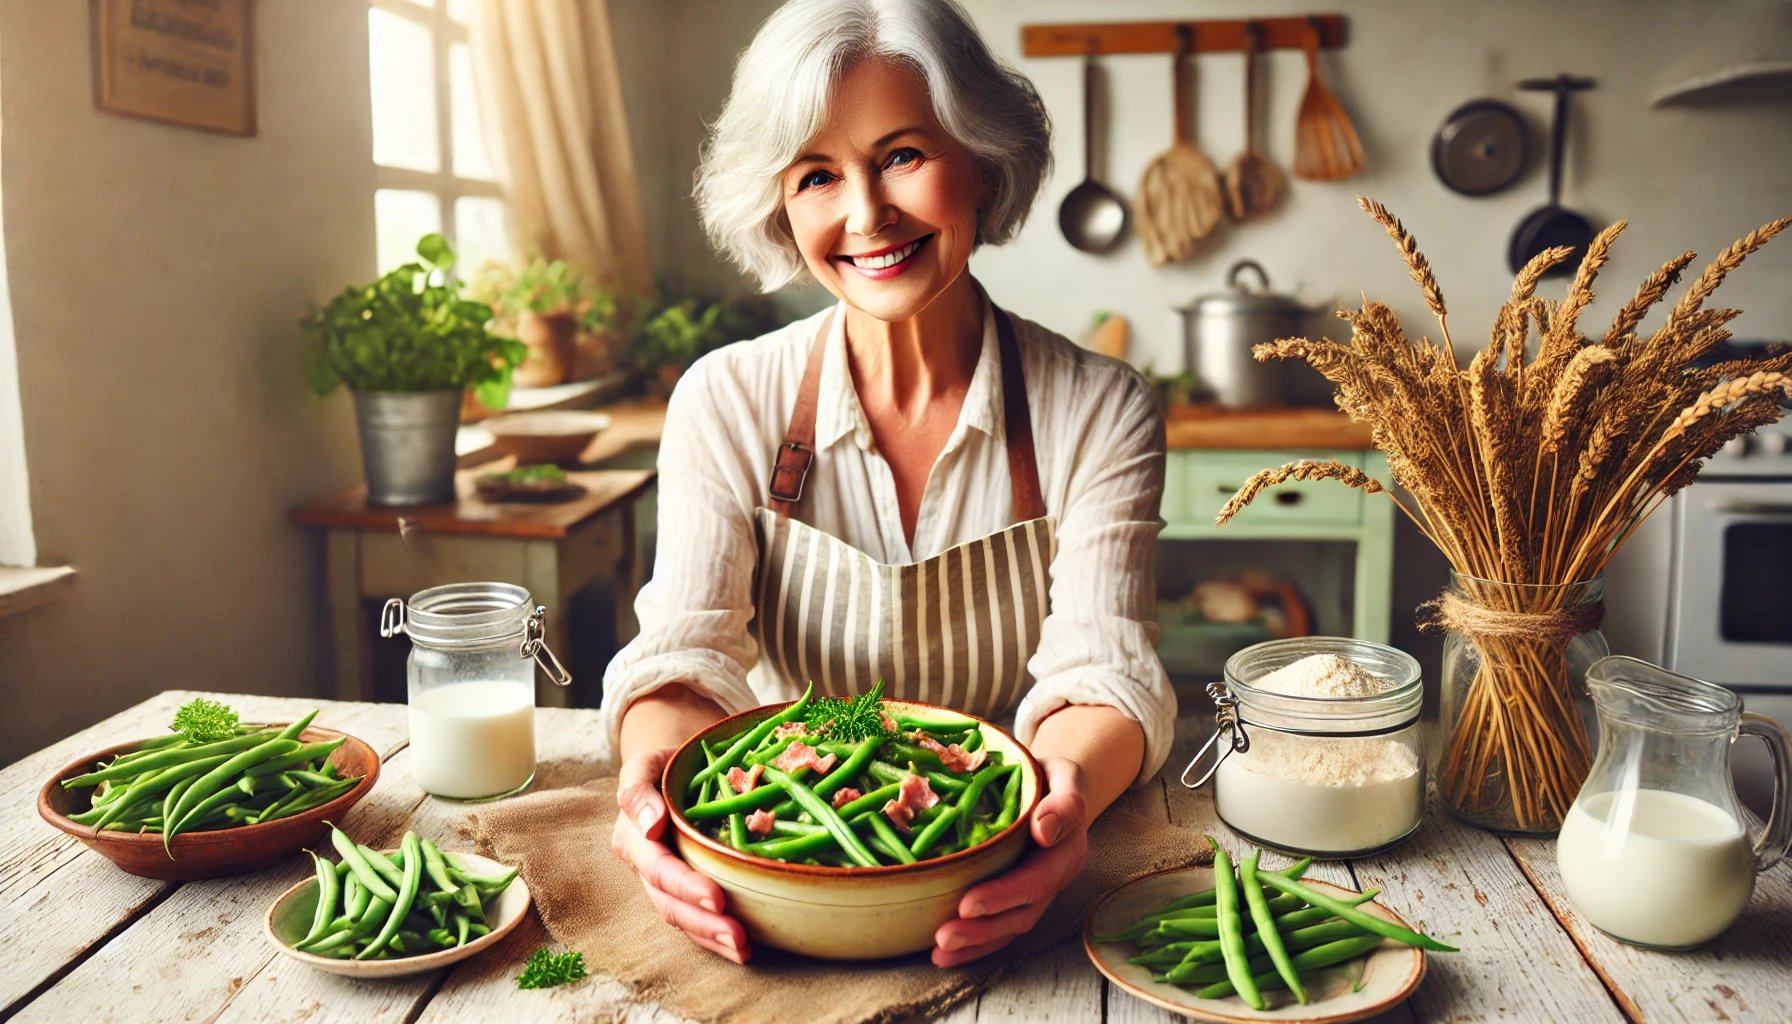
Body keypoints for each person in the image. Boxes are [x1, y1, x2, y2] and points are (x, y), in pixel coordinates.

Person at [601, 0, 1173, 967]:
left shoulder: (1098, 407)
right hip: (777, 850)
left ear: (985, 163)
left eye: (903, 155)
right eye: (818, 175)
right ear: (780, 205)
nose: (867, 216)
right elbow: (687, 658)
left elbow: (1103, 670)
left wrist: (1058, 806)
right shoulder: (726, 397)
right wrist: (652, 783)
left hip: (993, 842)